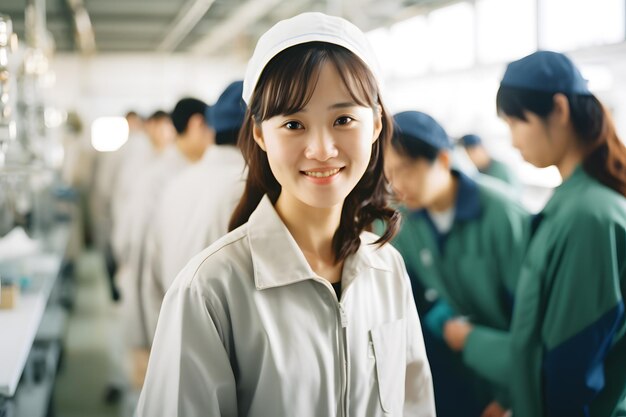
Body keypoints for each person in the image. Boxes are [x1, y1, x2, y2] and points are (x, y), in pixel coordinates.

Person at [136, 12, 435, 417]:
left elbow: (415, 403)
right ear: (259, 134)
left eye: (343, 119)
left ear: (377, 123)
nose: (322, 149)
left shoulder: (387, 270)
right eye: (294, 124)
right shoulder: (210, 291)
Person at [444, 50, 626, 417]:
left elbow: (570, 365)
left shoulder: (589, 217)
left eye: (516, 123)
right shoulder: (574, 204)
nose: (512, 141)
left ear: (558, 109)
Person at [382, 110, 529, 417]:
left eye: (406, 169)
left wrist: (507, 399)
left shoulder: (502, 214)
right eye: (388, 174)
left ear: (444, 161)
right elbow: (414, 291)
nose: (396, 185)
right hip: (463, 371)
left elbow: (532, 320)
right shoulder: (404, 220)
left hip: (518, 376)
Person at [141, 81, 247, 343]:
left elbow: (151, 273)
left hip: (173, 335)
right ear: (257, 133)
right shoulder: (251, 190)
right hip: (225, 349)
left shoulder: (177, 183)